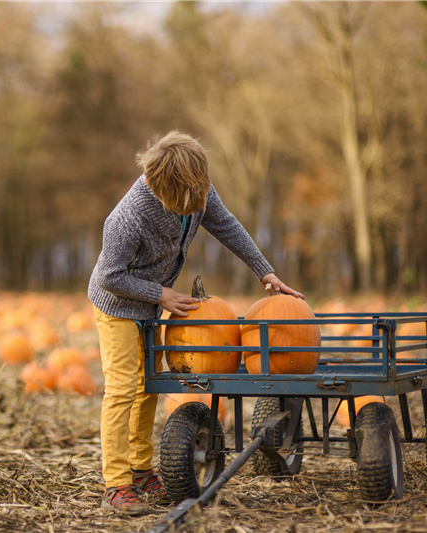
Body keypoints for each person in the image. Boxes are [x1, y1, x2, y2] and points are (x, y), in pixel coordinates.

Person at [88, 130, 303, 515]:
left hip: (151, 309)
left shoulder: (198, 190)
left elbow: (228, 227)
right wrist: (162, 295)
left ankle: (140, 470)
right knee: (123, 388)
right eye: (186, 203)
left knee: (147, 389)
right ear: (160, 187)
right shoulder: (127, 218)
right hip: (118, 306)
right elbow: (109, 276)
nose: (196, 207)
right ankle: (116, 483)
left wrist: (265, 272)